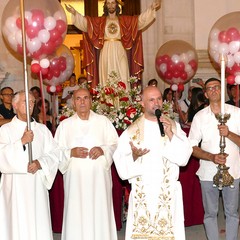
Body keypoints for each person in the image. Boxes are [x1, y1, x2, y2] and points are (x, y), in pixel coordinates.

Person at [113, 86, 192, 240]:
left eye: (159, 99)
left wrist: (170, 135)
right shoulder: (131, 132)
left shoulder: (172, 126)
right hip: (144, 193)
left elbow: (184, 159)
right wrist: (134, 157)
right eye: (151, 100)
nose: (156, 103)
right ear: (142, 103)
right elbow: (121, 168)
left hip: (167, 193)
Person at [54, 88, 119, 240]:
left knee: (99, 211)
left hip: (99, 181)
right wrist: (70, 152)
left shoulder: (104, 122)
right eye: (78, 99)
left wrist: (103, 150)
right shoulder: (65, 125)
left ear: (91, 101)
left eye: (85, 98)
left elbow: (116, 145)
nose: (82, 101)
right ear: (73, 103)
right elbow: (55, 151)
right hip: (75, 181)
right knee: (77, 212)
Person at [0, 91, 59, 240]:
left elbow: (54, 154)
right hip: (15, 187)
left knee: (38, 221)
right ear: (14, 105)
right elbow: (2, 156)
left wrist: (40, 163)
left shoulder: (42, 130)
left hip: (36, 184)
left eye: (32, 102)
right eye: (26, 101)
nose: (30, 105)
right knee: (16, 223)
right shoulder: (5, 130)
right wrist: (21, 142)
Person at [65, 0, 161, 89]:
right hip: (106, 51)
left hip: (119, 49)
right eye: (108, 3)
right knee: (107, 78)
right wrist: (75, 13)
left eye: (113, 3)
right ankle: (107, 103)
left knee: (123, 74)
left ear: (117, 5)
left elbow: (139, 21)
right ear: (106, 5)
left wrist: (151, 8)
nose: (111, 5)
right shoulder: (100, 21)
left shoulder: (124, 20)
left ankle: (124, 101)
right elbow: (86, 24)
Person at [188, 78, 240, 240]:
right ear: (205, 93)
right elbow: (192, 147)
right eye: (209, 88)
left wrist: (229, 134)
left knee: (232, 212)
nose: (213, 90)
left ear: (222, 90)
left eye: (216, 87)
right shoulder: (200, 117)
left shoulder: (236, 113)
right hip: (208, 172)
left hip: (232, 170)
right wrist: (211, 157)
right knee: (210, 213)